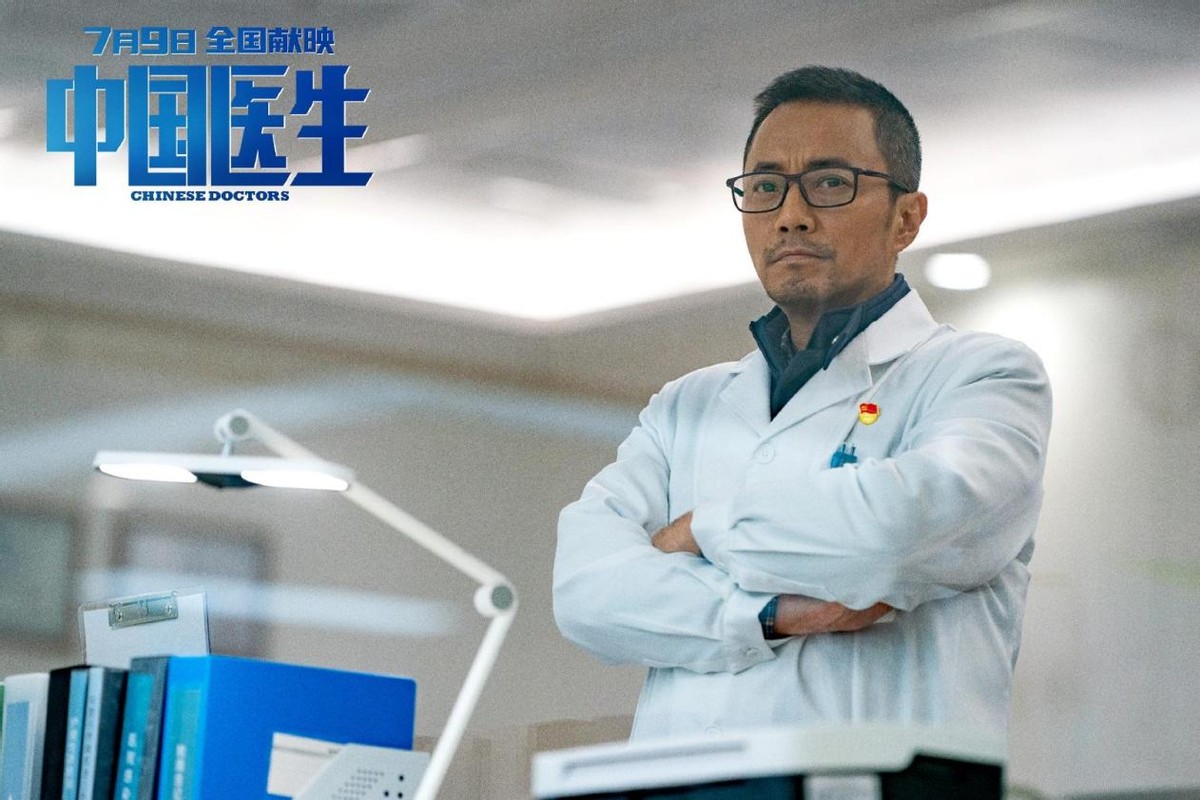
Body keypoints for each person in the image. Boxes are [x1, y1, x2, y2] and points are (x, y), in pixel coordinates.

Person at [553, 65, 1052, 741]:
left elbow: (897, 534)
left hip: (871, 780)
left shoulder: (983, 376)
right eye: (766, 187)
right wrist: (766, 615)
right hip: (683, 783)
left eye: (830, 183)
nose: (791, 214)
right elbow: (587, 595)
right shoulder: (685, 407)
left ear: (906, 218)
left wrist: (700, 531)